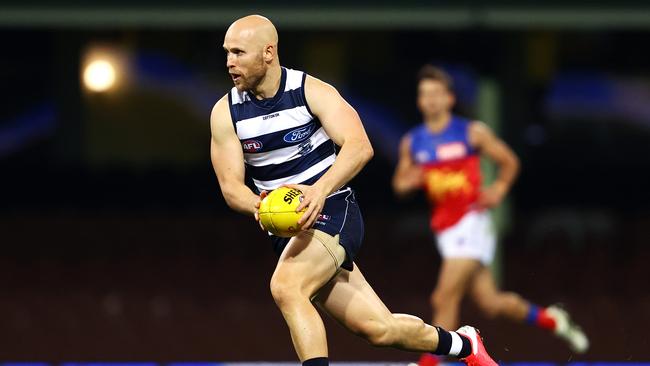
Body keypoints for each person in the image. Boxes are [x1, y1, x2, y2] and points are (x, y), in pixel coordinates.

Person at [210, 15, 498, 366]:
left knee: (287, 287)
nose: (229, 62)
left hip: (333, 209)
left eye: (238, 52)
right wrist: (262, 206)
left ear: (268, 53)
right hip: (289, 231)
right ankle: (463, 344)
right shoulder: (226, 113)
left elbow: (360, 147)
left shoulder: (311, 92)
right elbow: (230, 188)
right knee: (379, 329)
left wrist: (318, 191)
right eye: (227, 53)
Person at [392, 65, 589, 365]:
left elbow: (509, 161)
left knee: (443, 298)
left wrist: (498, 188)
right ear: (419, 101)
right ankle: (552, 319)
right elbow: (400, 184)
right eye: (424, 94)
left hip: (471, 221)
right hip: (445, 228)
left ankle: (429, 363)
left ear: (449, 98)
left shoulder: (471, 132)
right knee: (491, 303)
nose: (430, 100)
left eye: (436, 93)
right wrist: (414, 179)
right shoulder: (413, 141)